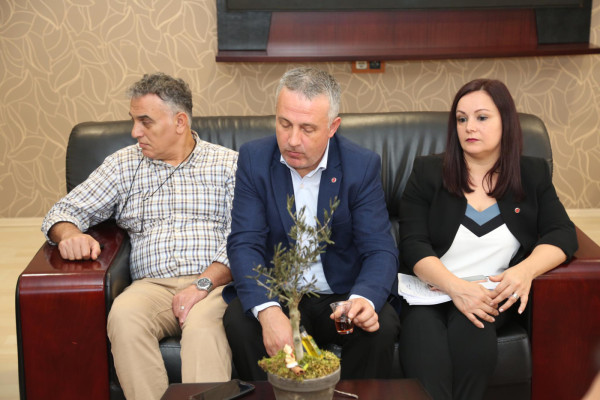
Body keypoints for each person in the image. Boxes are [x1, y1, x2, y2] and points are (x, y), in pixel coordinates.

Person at [41, 73, 238, 400]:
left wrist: (202, 285)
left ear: (180, 122)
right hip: (151, 287)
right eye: (133, 121)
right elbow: (62, 211)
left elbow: (242, 236)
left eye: (145, 122)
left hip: (212, 284)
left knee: (203, 329)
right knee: (124, 316)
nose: (135, 132)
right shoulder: (124, 165)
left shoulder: (228, 165)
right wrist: (69, 234)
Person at [398, 78, 578, 400]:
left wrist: (525, 271)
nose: (469, 127)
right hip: (432, 292)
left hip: (490, 295)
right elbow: (412, 244)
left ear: (505, 122)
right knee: (423, 347)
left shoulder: (531, 174)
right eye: (461, 119)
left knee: (474, 339)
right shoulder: (428, 172)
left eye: (481, 117)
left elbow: (562, 232)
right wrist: (456, 288)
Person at [222, 67, 401, 381]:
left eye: (307, 128)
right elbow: (244, 243)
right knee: (240, 319)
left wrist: (362, 300)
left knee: (380, 326)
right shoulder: (253, 159)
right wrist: (268, 310)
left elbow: (380, 249)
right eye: (284, 124)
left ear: (333, 127)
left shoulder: (361, 165)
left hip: (341, 294)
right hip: (280, 292)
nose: (293, 140)